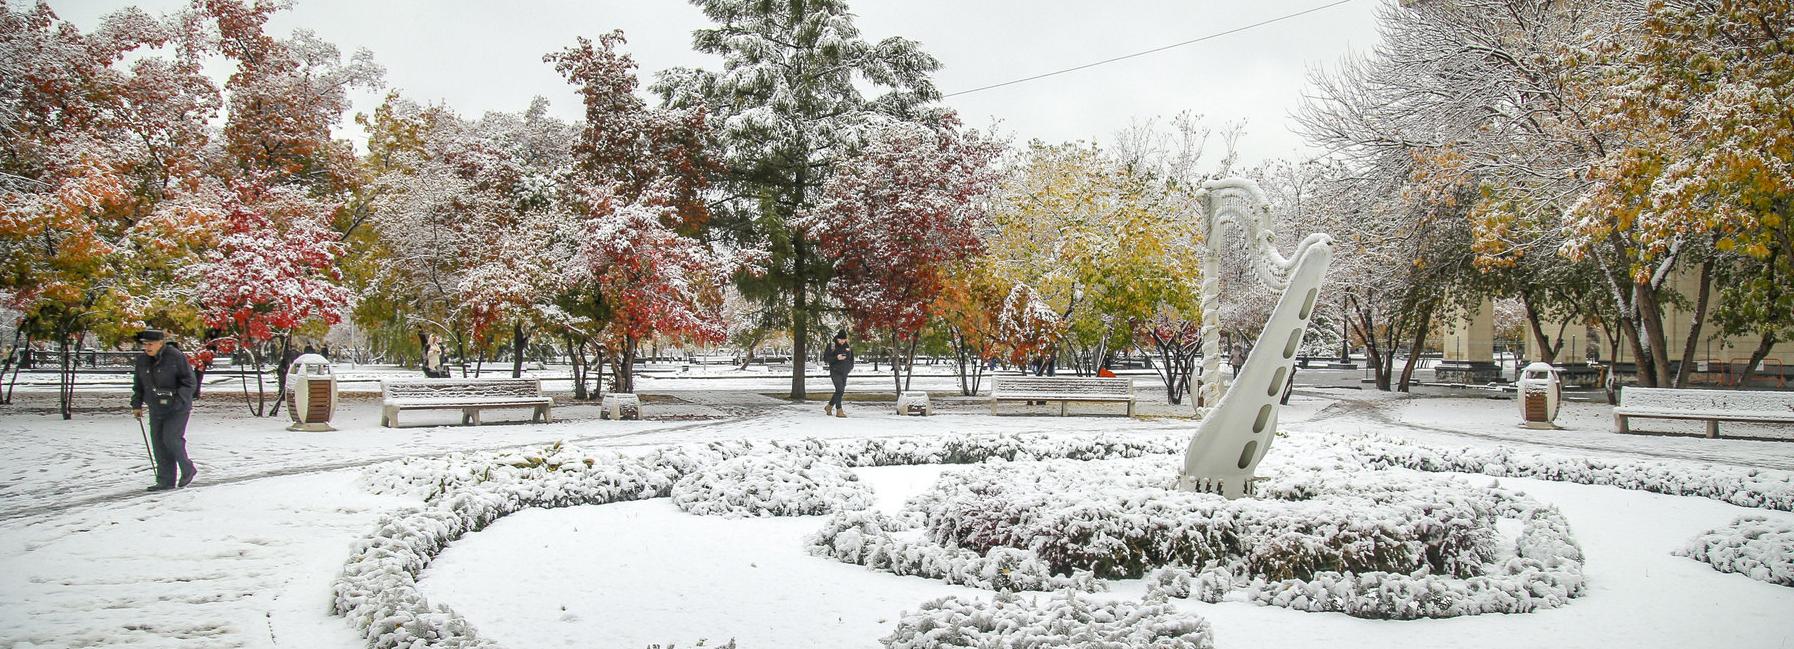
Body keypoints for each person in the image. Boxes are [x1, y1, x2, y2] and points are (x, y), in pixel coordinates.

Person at [131, 330, 197, 491]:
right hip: (156, 407)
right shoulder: (142, 361)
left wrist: (179, 399)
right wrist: (136, 404)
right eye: (144, 344)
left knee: (171, 439)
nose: (147, 347)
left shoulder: (175, 357)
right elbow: (139, 384)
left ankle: (188, 468)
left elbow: (189, 381)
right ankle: (165, 481)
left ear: (161, 343)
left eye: (150, 344)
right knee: (159, 443)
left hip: (177, 407)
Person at [824, 330, 854, 418]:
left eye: (844, 339)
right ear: (837, 338)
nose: (842, 341)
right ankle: (839, 410)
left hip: (844, 372)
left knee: (839, 391)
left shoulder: (848, 346)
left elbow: (851, 358)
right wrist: (836, 358)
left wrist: (850, 367)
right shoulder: (832, 345)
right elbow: (826, 358)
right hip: (835, 371)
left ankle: (829, 407)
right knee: (840, 390)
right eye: (841, 340)